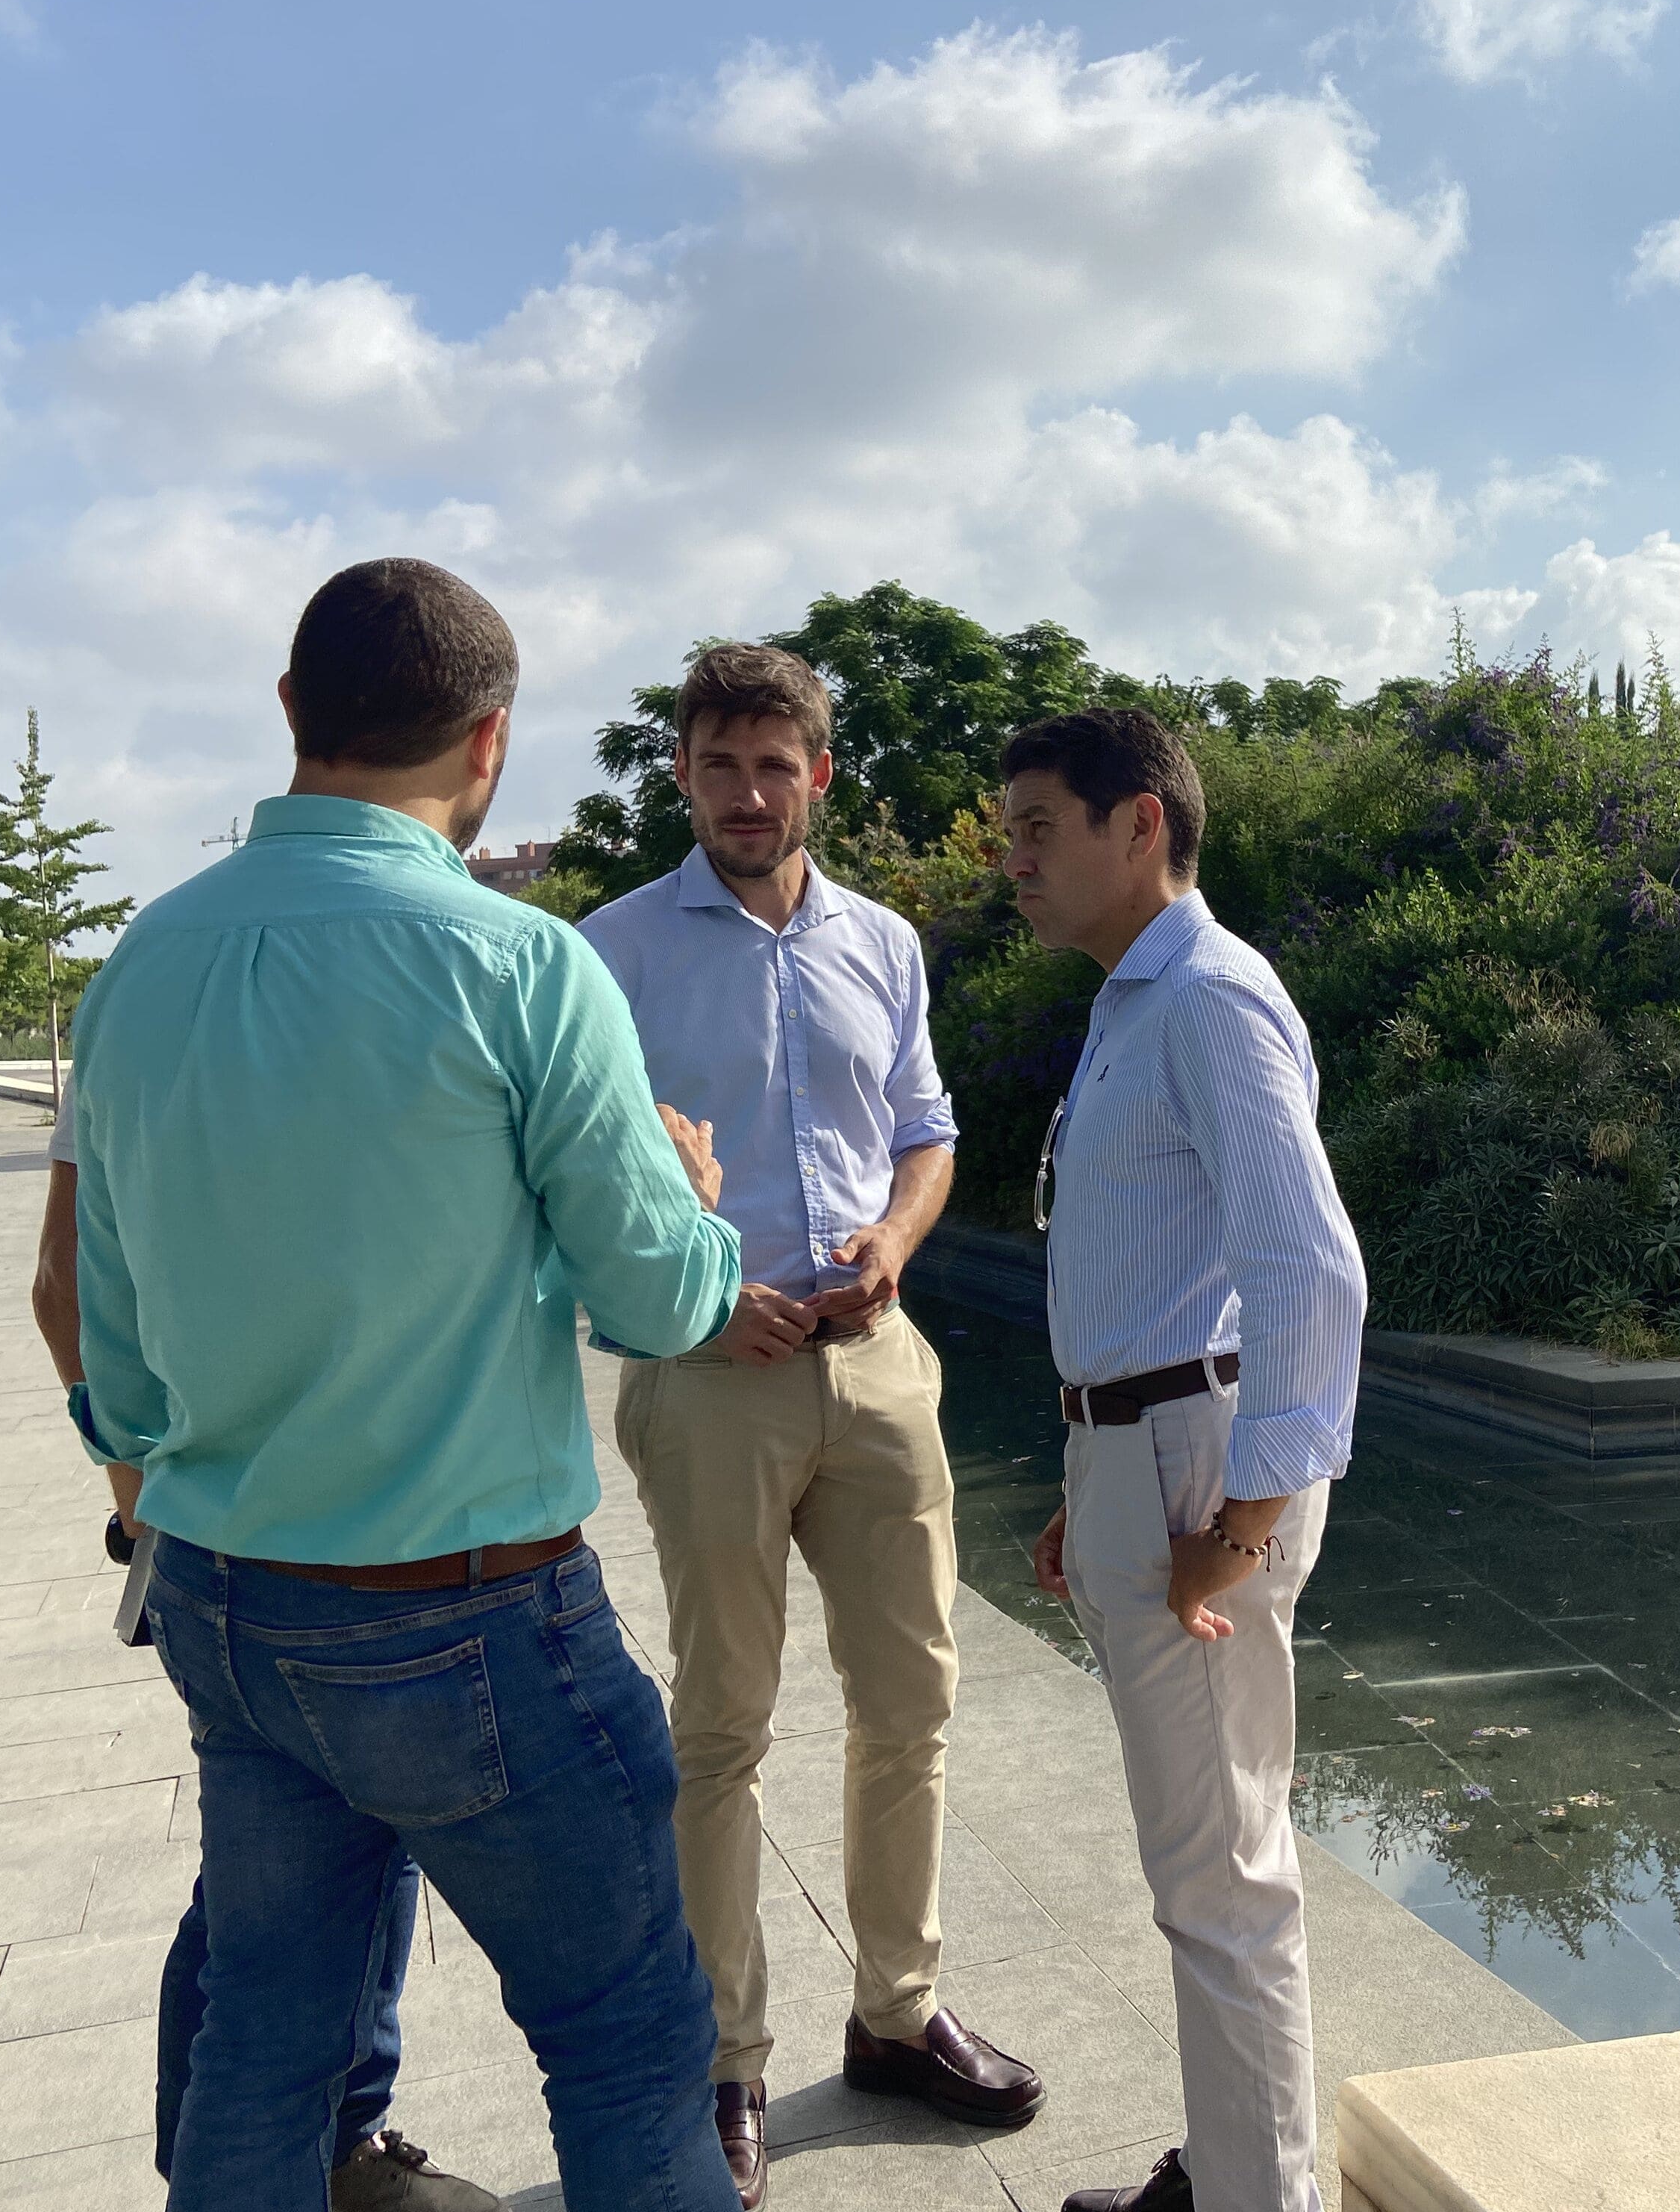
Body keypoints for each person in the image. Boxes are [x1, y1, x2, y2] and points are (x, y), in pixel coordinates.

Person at [67, 555, 796, 2212]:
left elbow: (110, 1362)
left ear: (288, 717)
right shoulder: (524, 968)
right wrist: (686, 1188)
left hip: (233, 1603)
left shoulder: (143, 969)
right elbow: (668, 1304)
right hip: (469, 1620)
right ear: (489, 743)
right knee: (625, 2040)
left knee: (267, 2033)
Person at [578, 644, 1043, 2208]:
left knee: (909, 1706)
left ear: (821, 778)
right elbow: (580, 1180)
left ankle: (897, 2018)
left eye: (777, 765)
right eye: (720, 764)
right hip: (709, 1375)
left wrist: (898, 1246)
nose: (749, 792)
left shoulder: (885, 944)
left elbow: (927, 1133)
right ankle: (730, 2059)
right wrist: (701, 1294)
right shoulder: (613, 951)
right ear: (687, 775)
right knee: (721, 1727)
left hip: (877, 1365)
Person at [999, 709, 1367, 2212]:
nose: (1013, 859)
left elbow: (1307, 1271)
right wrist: (1088, 1485)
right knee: (1209, 1861)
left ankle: (1256, 2198)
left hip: (1198, 1466)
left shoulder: (1209, 998)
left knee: (1225, 1879)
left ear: (1138, 825)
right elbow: (1156, 1272)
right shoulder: (1133, 998)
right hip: (1140, 1453)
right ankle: (1229, 2164)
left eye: (1038, 827)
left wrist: (1250, 1513)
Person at [33, 1114, 493, 2212]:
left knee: (297, 1871)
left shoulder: (155, 999)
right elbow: (67, 1285)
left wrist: (139, 1506)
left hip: (236, 1542)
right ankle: (289, 2160)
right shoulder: (213, 997)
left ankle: (283, 2152)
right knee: (282, 1889)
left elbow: (67, 1285)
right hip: (322, 1543)